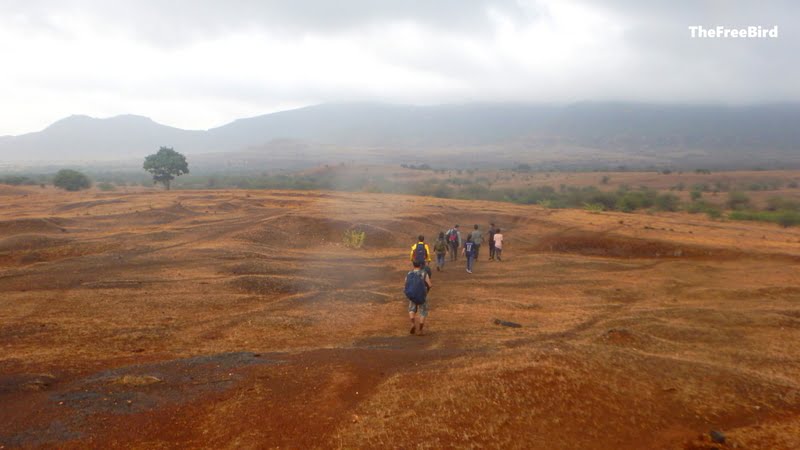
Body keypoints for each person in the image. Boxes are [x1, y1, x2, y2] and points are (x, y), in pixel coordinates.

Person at [405, 260, 432, 335]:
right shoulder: (424, 273)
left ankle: (413, 324)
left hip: (412, 295)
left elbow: (406, 284)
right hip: (422, 296)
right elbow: (430, 285)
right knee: (422, 312)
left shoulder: (409, 273)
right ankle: (420, 330)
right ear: (420, 265)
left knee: (411, 310)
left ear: (413, 265)